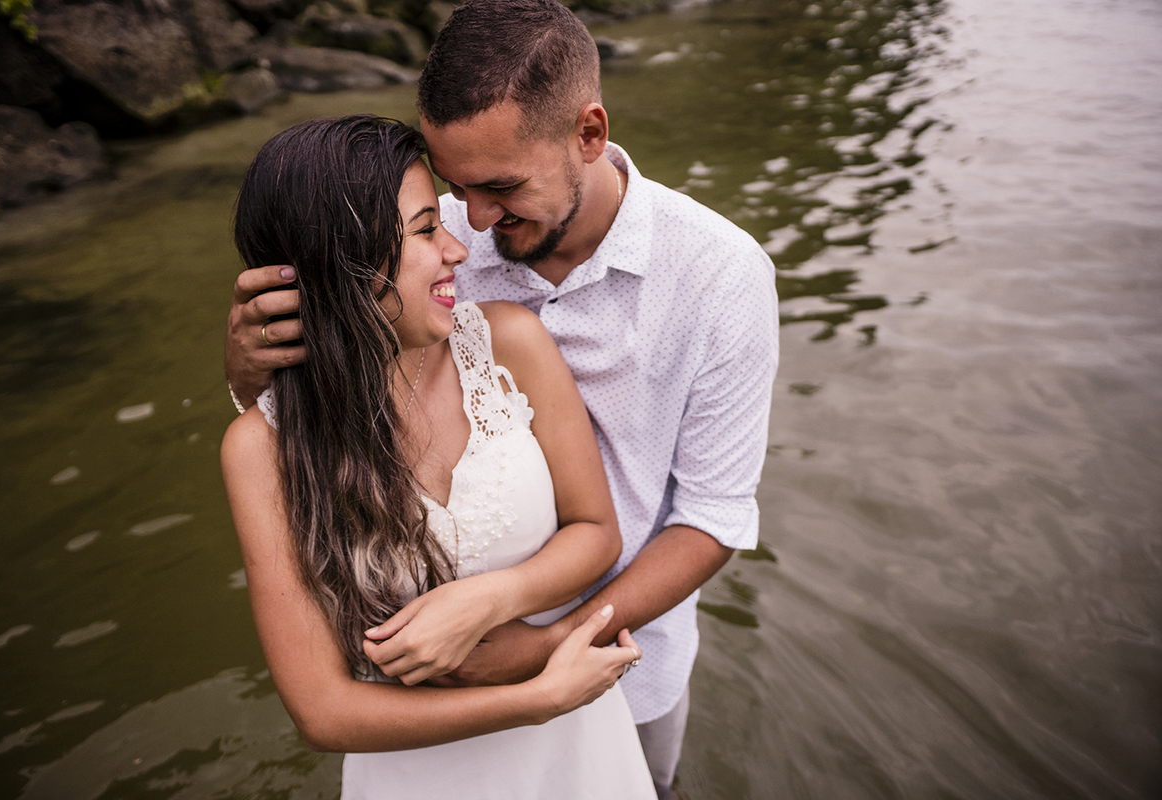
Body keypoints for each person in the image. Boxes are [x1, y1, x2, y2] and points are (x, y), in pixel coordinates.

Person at [224, 1, 779, 796]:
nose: (475, 222)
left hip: (625, 656)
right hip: (424, 703)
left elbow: (713, 515)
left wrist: (541, 648)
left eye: (499, 187)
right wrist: (251, 375)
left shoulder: (720, 275)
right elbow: (315, 399)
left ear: (589, 134)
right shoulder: (416, 243)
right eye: (456, 189)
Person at [221, 114, 656, 798]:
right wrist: (534, 701)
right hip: (424, 763)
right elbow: (323, 713)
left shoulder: (509, 344)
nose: (457, 249)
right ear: (346, 261)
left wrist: (490, 600)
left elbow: (597, 533)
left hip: (581, 752)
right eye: (426, 230)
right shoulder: (261, 447)